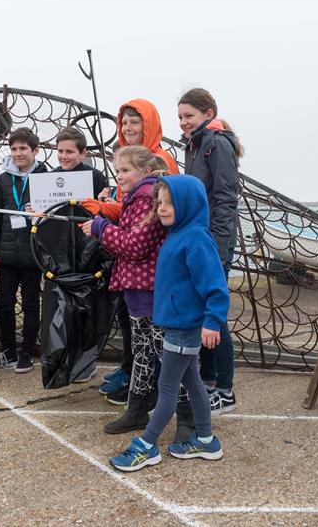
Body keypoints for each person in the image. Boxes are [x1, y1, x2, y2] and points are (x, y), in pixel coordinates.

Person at [109, 175, 228, 472]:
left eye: (170, 203)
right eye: (159, 202)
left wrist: (213, 322)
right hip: (177, 323)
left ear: (188, 204)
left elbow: (216, 286)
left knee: (166, 388)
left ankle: (147, 445)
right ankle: (205, 439)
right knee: (193, 382)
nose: (162, 208)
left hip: (185, 327)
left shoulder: (197, 240)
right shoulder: (177, 234)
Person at [86, 99, 180, 402]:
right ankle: (136, 380)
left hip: (148, 272)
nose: (128, 128)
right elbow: (130, 212)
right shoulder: (128, 164)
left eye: (135, 123)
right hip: (132, 271)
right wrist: (106, 205)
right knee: (134, 330)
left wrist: (103, 222)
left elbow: (152, 218)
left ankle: (156, 393)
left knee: (153, 341)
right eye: (124, 123)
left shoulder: (161, 161)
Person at [81, 146, 170, 435]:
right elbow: (127, 242)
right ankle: (137, 410)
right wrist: (105, 225)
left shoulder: (145, 197)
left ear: (145, 171)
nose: (119, 176)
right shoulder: (135, 196)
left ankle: (189, 415)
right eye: (117, 171)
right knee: (143, 352)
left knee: (160, 354)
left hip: (149, 288)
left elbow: (135, 246)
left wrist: (101, 227)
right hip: (137, 287)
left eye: (125, 170)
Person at [177, 88, 243, 415]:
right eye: (180, 117)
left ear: (208, 113)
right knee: (203, 311)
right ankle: (207, 382)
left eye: (189, 116)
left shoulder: (216, 144)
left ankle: (226, 391)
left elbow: (226, 200)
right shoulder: (197, 144)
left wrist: (217, 250)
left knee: (214, 316)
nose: (183, 122)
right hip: (199, 240)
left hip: (213, 244)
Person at [0, 128, 47, 373]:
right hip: (7, 254)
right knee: (4, 304)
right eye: (14, 149)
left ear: (35, 150)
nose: (18, 153)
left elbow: (51, 218)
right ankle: (7, 351)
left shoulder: (45, 178)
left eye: (23, 149)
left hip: (32, 253)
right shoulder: (1, 181)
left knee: (31, 304)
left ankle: (28, 352)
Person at [55, 127, 108, 199]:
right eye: (60, 151)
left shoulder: (96, 177)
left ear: (83, 153)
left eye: (69, 152)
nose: (63, 156)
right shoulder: (51, 177)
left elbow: (106, 207)